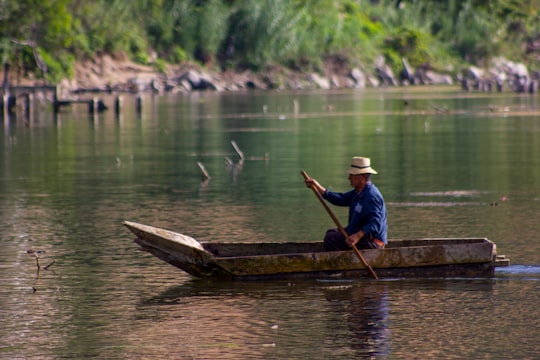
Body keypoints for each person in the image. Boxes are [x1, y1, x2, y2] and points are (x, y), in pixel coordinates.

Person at [304, 156, 387, 251]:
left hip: (372, 243)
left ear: (362, 177)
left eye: (352, 175)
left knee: (332, 239)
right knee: (331, 232)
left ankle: (340, 264)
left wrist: (357, 236)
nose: (349, 178)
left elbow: (376, 223)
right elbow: (341, 199)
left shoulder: (371, 196)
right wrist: (317, 187)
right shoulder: (358, 192)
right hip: (361, 238)